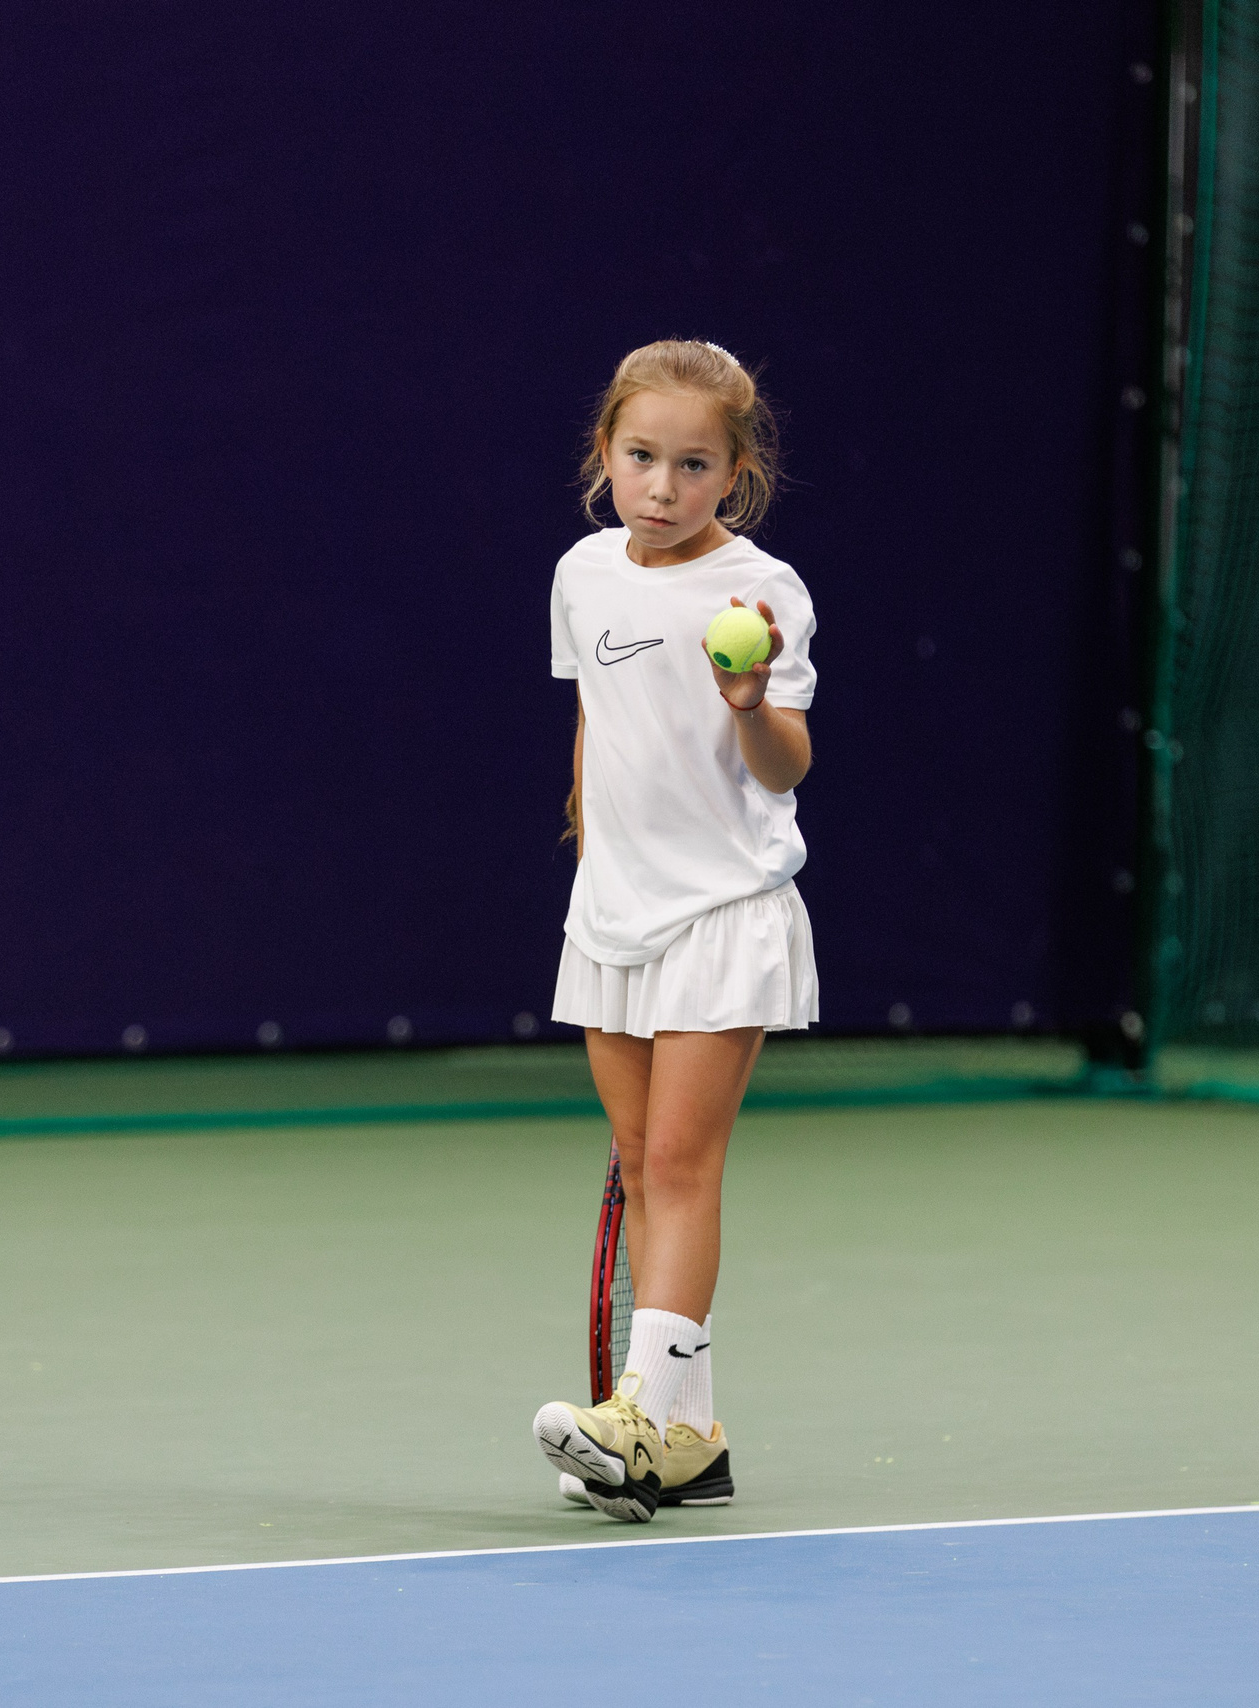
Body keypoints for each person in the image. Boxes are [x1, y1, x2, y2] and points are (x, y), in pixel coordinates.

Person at [529, 339, 818, 1522]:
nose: (661, 485)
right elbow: (598, 719)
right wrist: (590, 840)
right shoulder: (582, 575)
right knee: (643, 1162)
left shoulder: (761, 595)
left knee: (682, 1164)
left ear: (733, 475)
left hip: (722, 913)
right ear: (604, 455)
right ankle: (688, 1434)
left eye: (691, 465)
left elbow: (785, 764)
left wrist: (747, 700)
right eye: (641, 457)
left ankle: (645, 1408)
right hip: (611, 914)